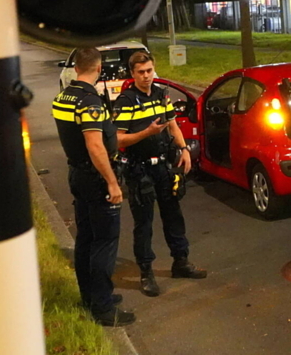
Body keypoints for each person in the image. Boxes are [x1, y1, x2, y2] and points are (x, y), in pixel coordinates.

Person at [52, 47, 135, 326]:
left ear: (76, 67)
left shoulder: (64, 97)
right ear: (99, 69)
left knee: (86, 239)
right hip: (96, 179)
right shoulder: (90, 102)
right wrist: (112, 182)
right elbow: (95, 145)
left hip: (77, 174)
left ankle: (91, 297)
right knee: (104, 243)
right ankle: (103, 309)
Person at [113, 50, 206, 297]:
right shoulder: (126, 101)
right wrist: (147, 133)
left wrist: (184, 148)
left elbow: (173, 124)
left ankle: (181, 262)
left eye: (149, 71)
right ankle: (146, 272)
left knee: (174, 216)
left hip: (163, 166)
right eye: (141, 72)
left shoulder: (160, 95)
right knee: (144, 224)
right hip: (138, 169)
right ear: (132, 74)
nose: (146, 76)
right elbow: (118, 138)